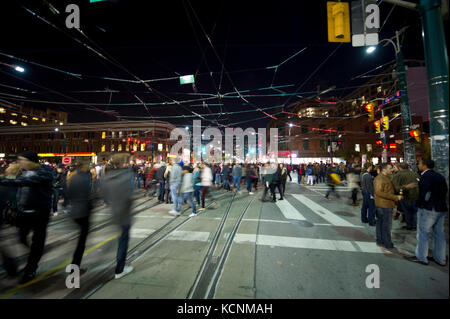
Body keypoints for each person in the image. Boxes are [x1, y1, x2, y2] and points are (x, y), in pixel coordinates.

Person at [0, 151, 54, 284]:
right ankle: (35, 255)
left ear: (31, 161)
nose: (20, 163)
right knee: (21, 237)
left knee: (37, 241)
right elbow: (18, 190)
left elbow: (28, 182)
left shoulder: (45, 172)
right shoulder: (23, 172)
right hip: (24, 212)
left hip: (40, 212)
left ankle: (30, 269)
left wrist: (4, 180)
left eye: (22, 160)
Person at [405, 158, 448, 266]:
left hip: (429, 209)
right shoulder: (439, 176)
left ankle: (421, 257)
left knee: (423, 233)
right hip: (441, 208)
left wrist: (421, 204)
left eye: (419, 163)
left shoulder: (425, 176)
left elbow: (424, 194)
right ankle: (440, 258)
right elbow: (445, 191)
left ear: (424, 165)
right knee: (439, 234)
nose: (418, 165)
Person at [101, 153, 135, 279]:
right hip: (124, 214)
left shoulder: (106, 177)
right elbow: (130, 195)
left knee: (117, 239)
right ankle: (120, 269)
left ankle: (116, 265)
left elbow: (105, 196)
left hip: (113, 212)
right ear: (123, 164)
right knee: (123, 241)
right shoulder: (127, 176)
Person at [67, 159, 93, 273]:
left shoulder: (73, 177)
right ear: (84, 166)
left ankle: (74, 266)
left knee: (80, 240)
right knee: (81, 242)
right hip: (83, 211)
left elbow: (69, 194)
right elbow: (89, 194)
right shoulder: (85, 178)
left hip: (74, 210)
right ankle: (75, 267)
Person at [373, 163, 403, 250]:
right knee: (386, 225)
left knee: (381, 224)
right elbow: (378, 192)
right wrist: (395, 197)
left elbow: (390, 189)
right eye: (390, 168)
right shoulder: (380, 179)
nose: (392, 169)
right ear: (384, 170)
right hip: (384, 205)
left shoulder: (386, 177)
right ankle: (387, 243)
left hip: (385, 204)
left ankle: (381, 241)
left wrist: (403, 188)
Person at [391, 163, 419, 230]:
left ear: (400, 167)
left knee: (407, 212)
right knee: (415, 212)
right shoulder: (415, 174)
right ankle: (415, 225)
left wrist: (400, 193)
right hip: (416, 196)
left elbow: (396, 187)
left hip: (405, 196)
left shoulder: (398, 175)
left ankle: (409, 225)